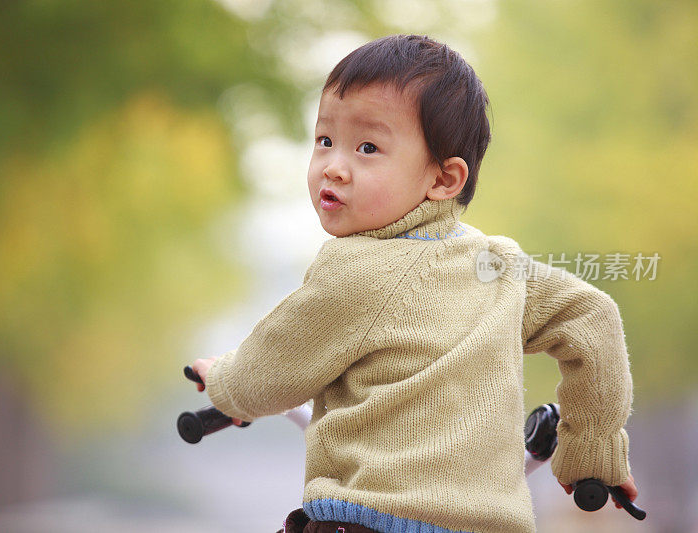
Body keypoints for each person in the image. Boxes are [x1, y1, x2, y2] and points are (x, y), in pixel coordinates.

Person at [190, 34, 638, 533]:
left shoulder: (357, 269)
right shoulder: (497, 266)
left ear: (444, 180)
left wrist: (224, 383)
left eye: (367, 147)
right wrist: (591, 454)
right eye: (324, 141)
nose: (333, 166)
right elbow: (592, 317)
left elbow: (270, 370)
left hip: (370, 520)